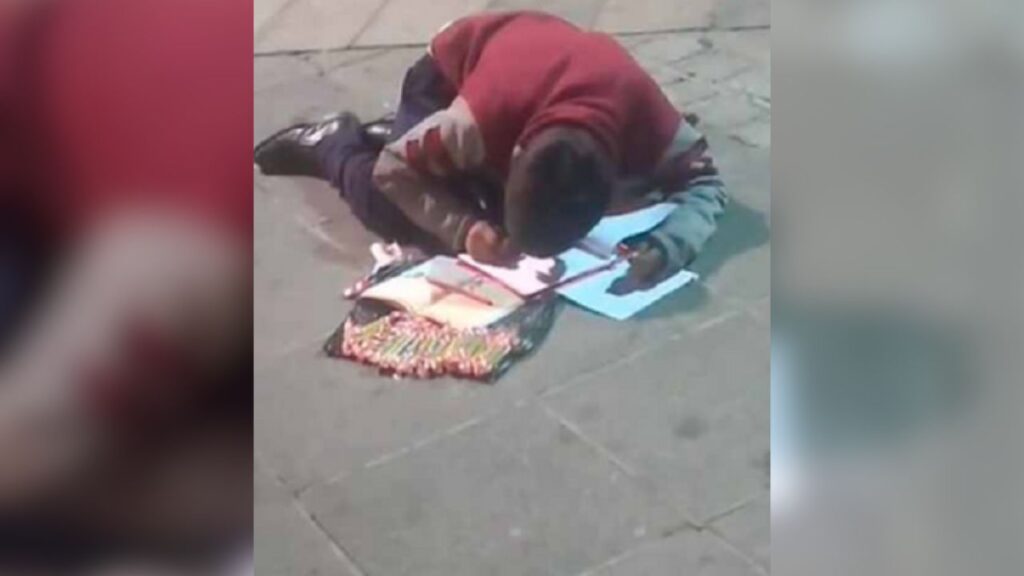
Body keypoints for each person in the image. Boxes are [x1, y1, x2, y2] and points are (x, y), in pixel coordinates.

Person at [255, 11, 727, 288]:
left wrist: (669, 246)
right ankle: (333, 142)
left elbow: (705, 183)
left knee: (471, 199)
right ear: (512, 153)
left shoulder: (653, 125)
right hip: (444, 78)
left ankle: (410, 141)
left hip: (529, 74)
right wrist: (464, 229)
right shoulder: (476, 123)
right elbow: (393, 170)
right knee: (405, 215)